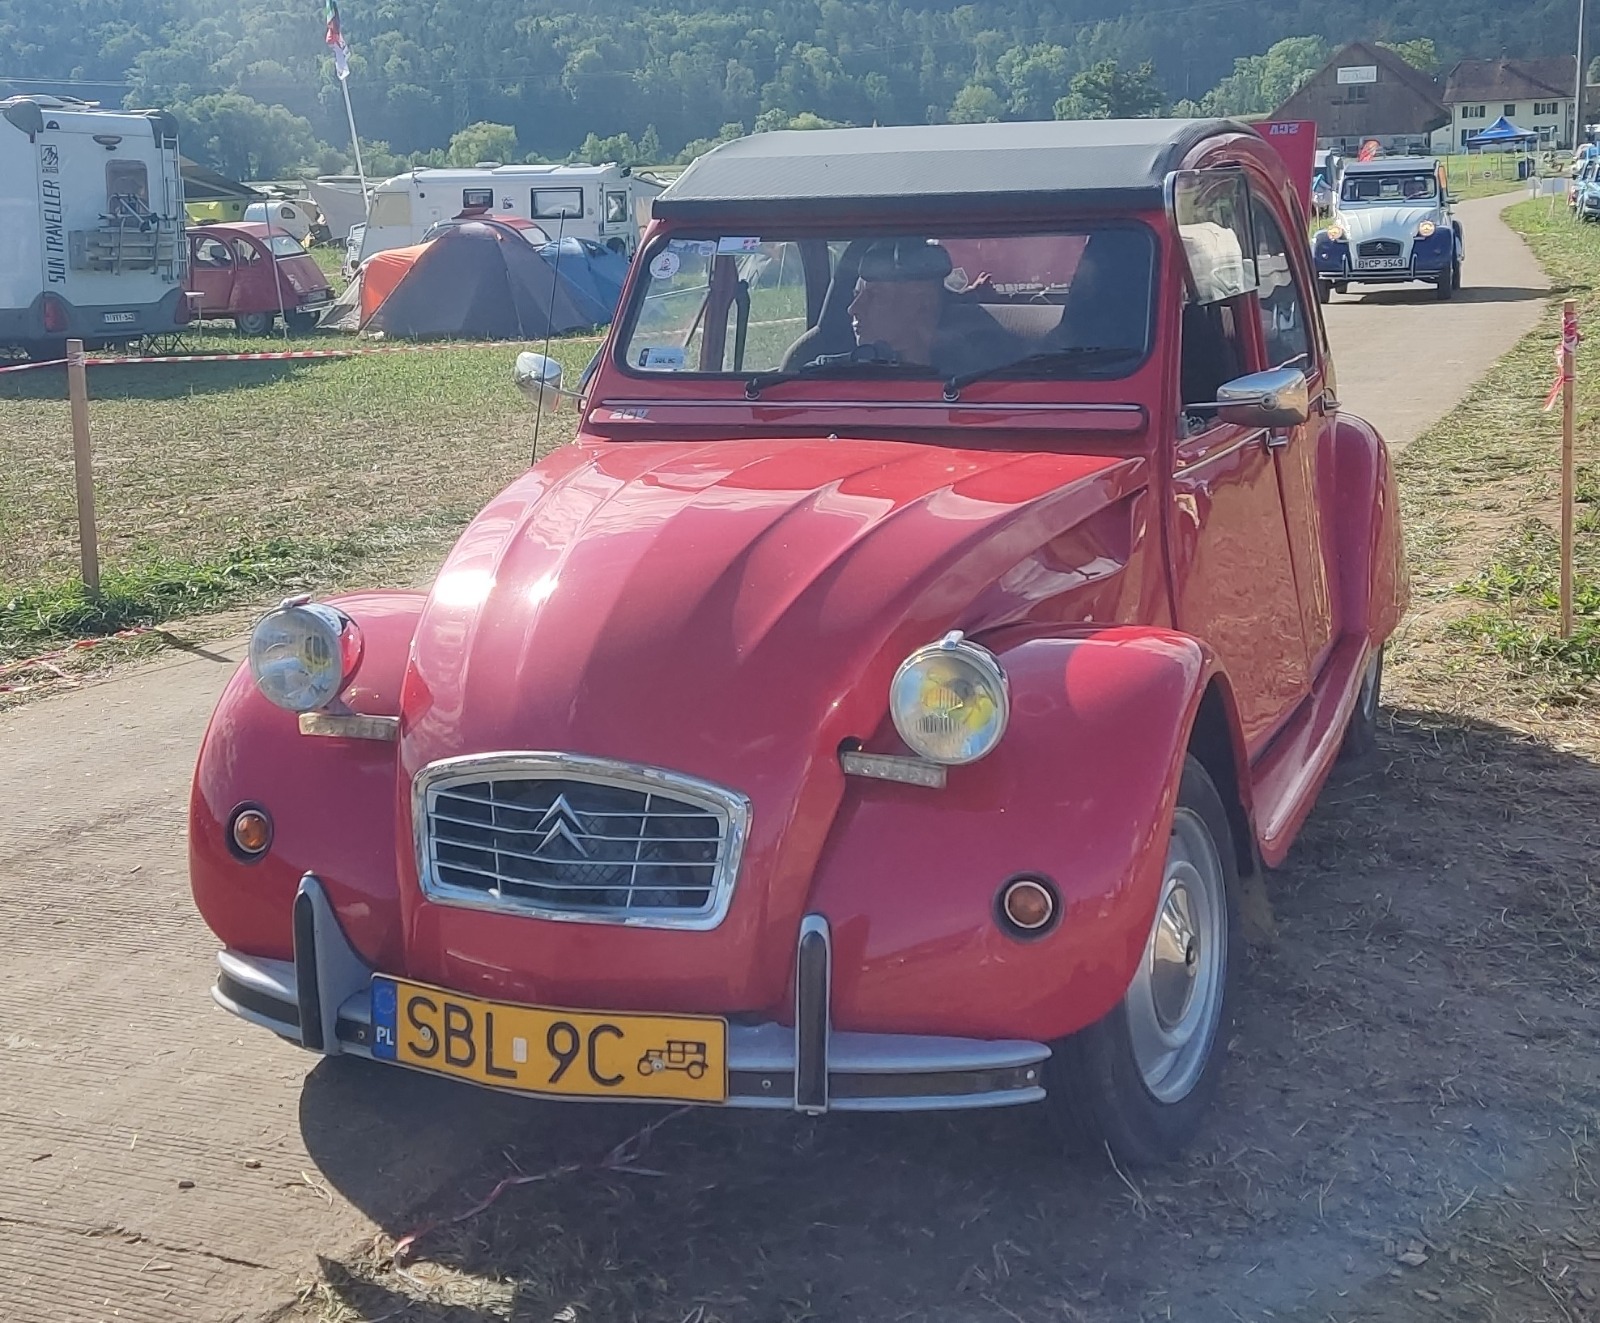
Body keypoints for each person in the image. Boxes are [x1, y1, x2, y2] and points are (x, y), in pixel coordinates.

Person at [844, 237, 1025, 378]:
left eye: (876, 296)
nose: (853, 309)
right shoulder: (829, 375)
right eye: (855, 295)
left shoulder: (983, 380)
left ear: (922, 306)